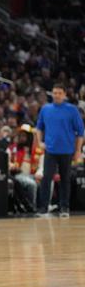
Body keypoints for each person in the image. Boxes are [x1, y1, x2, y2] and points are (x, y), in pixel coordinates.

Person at [35, 83, 84, 218]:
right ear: (52, 94)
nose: (57, 95)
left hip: (67, 150)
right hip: (50, 150)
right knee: (46, 179)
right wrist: (40, 142)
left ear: (64, 95)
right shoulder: (46, 109)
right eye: (55, 93)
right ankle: (43, 208)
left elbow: (80, 132)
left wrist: (78, 150)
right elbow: (38, 128)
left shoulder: (72, 110)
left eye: (59, 93)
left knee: (65, 180)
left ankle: (64, 208)